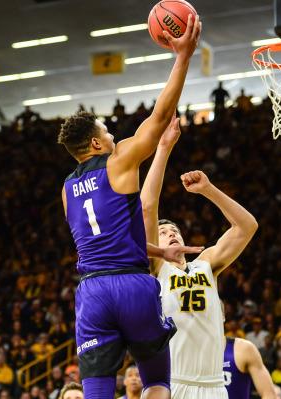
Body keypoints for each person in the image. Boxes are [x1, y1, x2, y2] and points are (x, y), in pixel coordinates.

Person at [58, 14, 202, 399]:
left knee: (98, 388)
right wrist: (182, 57)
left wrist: (156, 249)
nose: (112, 133)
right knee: (156, 381)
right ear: (94, 144)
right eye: (106, 131)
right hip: (132, 286)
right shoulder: (118, 160)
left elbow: (106, 237)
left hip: (92, 292)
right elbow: (157, 118)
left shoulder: (67, 188)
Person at [140, 120, 258, 399]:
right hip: (172, 383)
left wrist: (208, 190)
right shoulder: (155, 269)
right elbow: (146, 208)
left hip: (215, 386)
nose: (170, 234)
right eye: (163, 232)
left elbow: (247, 227)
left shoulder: (205, 264)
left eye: (175, 231)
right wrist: (164, 148)